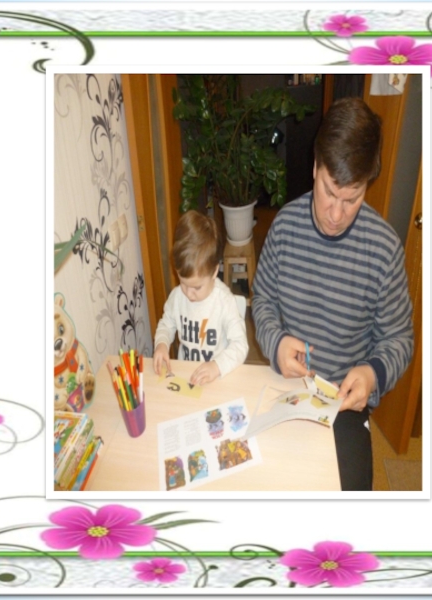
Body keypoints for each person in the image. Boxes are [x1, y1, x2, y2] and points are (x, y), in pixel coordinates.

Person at [252, 97, 414, 491]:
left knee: (349, 497)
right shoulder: (284, 227)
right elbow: (263, 299)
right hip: (287, 389)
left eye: (352, 198)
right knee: (258, 482)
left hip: (343, 404)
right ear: (315, 167)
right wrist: (276, 342)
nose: (336, 214)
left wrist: (372, 373)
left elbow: (399, 339)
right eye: (329, 191)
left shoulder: (384, 248)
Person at [153, 210, 249, 386]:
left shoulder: (224, 301)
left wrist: (217, 366)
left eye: (197, 287)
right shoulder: (177, 297)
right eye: (183, 283)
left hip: (217, 379)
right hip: (186, 377)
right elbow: (166, 324)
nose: (189, 293)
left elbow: (240, 345)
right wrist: (162, 343)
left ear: (214, 272)